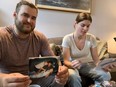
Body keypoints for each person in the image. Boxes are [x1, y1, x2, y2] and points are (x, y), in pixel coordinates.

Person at [0, 1, 68, 87]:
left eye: (33, 18)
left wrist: (62, 73)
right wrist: (2, 80)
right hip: (10, 81)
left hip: (34, 79)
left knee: (58, 79)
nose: (29, 21)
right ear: (15, 15)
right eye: (25, 15)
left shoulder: (40, 37)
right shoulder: (2, 36)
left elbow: (54, 64)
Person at [62, 12, 115, 87]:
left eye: (88, 26)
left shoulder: (91, 38)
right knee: (74, 77)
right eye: (82, 25)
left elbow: (96, 60)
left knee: (106, 74)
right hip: (72, 66)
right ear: (75, 24)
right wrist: (73, 64)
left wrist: (102, 66)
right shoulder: (67, 39)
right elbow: (66, 61)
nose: (85, 29)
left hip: (87, 65)